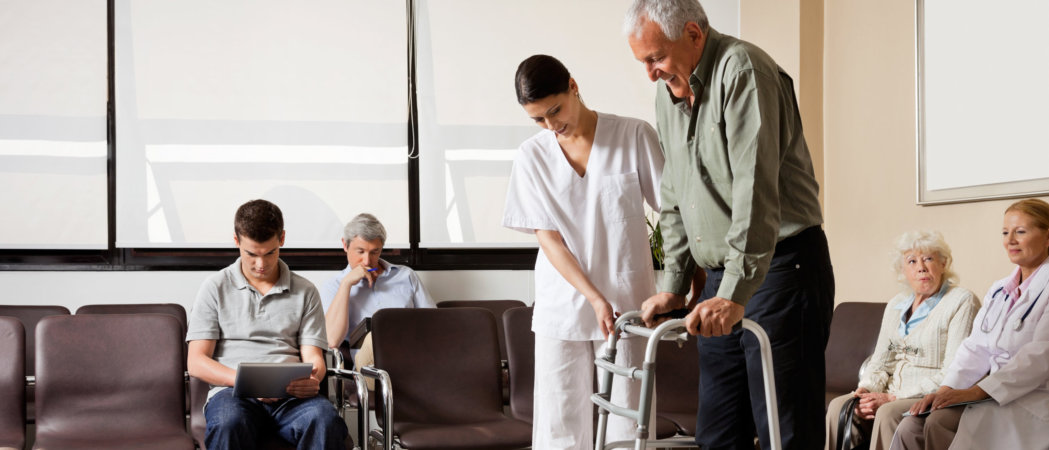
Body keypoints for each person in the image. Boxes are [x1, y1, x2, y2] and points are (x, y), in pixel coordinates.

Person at [624, 1, 835, 448]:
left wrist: (737, 292)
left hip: (780, 268)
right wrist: (677, 283)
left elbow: (754, 190)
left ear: (695, 35)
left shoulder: (744, 71)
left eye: (656, 57)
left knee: (785, 429)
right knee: (718, 434)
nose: (651, 73)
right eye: (643, 61)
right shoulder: (668, 94)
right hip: (724, 277)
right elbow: (675, 192)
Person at [502, 54, 664, 449]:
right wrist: (593, 297)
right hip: (563, 305)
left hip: (628, 302)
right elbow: (550, 239)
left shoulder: (634, 135)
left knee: (630, 423)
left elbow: (674, 212)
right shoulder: (531, 156)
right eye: (539, 119)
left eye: (555, 110)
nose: (551, 125)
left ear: (574, 85)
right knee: (560, 424)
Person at [186, 199, 347, 450]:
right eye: (251, 254)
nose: (261, 264)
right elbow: (196, 362)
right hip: (233, 394)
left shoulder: (306, 291)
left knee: (325, 421)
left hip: (292, 398)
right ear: (237, 241)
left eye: (270, 253)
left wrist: (314, 377)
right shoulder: (214, 288)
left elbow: (314, 357)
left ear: (282, 239)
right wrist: (246, 381)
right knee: (228, 423)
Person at [890, 198, 1049, 450]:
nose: (1010, 240)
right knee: (910, 425)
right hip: (991, 392)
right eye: (1005, 232)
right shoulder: (999, 290)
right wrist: (945, 390)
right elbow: (976, 347)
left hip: (1032, 398)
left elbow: (1039, 358)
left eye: (1021, 232)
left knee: (938, 422)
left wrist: (976, 392)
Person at [825, 231, 978, 450]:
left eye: (929, 259)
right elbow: (880, 362)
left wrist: (893, 397)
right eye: (912, 261)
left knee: (888, 413)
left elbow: (954, 370)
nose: (921, 267)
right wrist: (866, 390)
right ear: (902, 270)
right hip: (889, 392)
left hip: (926, 395)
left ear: (943, 264)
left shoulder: (961, 300)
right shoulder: (896, 304)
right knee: (841, 406)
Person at [320, 213, 435, 372]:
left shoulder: (406, 276)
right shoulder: (333, 286)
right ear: (345, 245)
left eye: (374, 252)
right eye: (360, 251)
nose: (367, 261)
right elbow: (331, 341)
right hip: (372, 369)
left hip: (414, 357)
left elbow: (435, 324)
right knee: (375, 337)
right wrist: (346, 284)